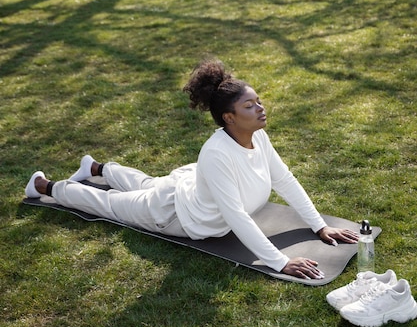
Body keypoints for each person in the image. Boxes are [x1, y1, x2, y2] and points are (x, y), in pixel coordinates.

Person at [25, 58, 358, 280]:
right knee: (109, 205)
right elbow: (236, 216)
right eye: (249, 105)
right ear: (229, 117)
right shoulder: (216, 154)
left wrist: (318, 226)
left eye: (258, 101)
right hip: (173, 214)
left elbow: (284, 179)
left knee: (147, 182)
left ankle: (96, 167)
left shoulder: (259, 137)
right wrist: (280, 261)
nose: (260, 108)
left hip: (183, 189)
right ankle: (45, 186)